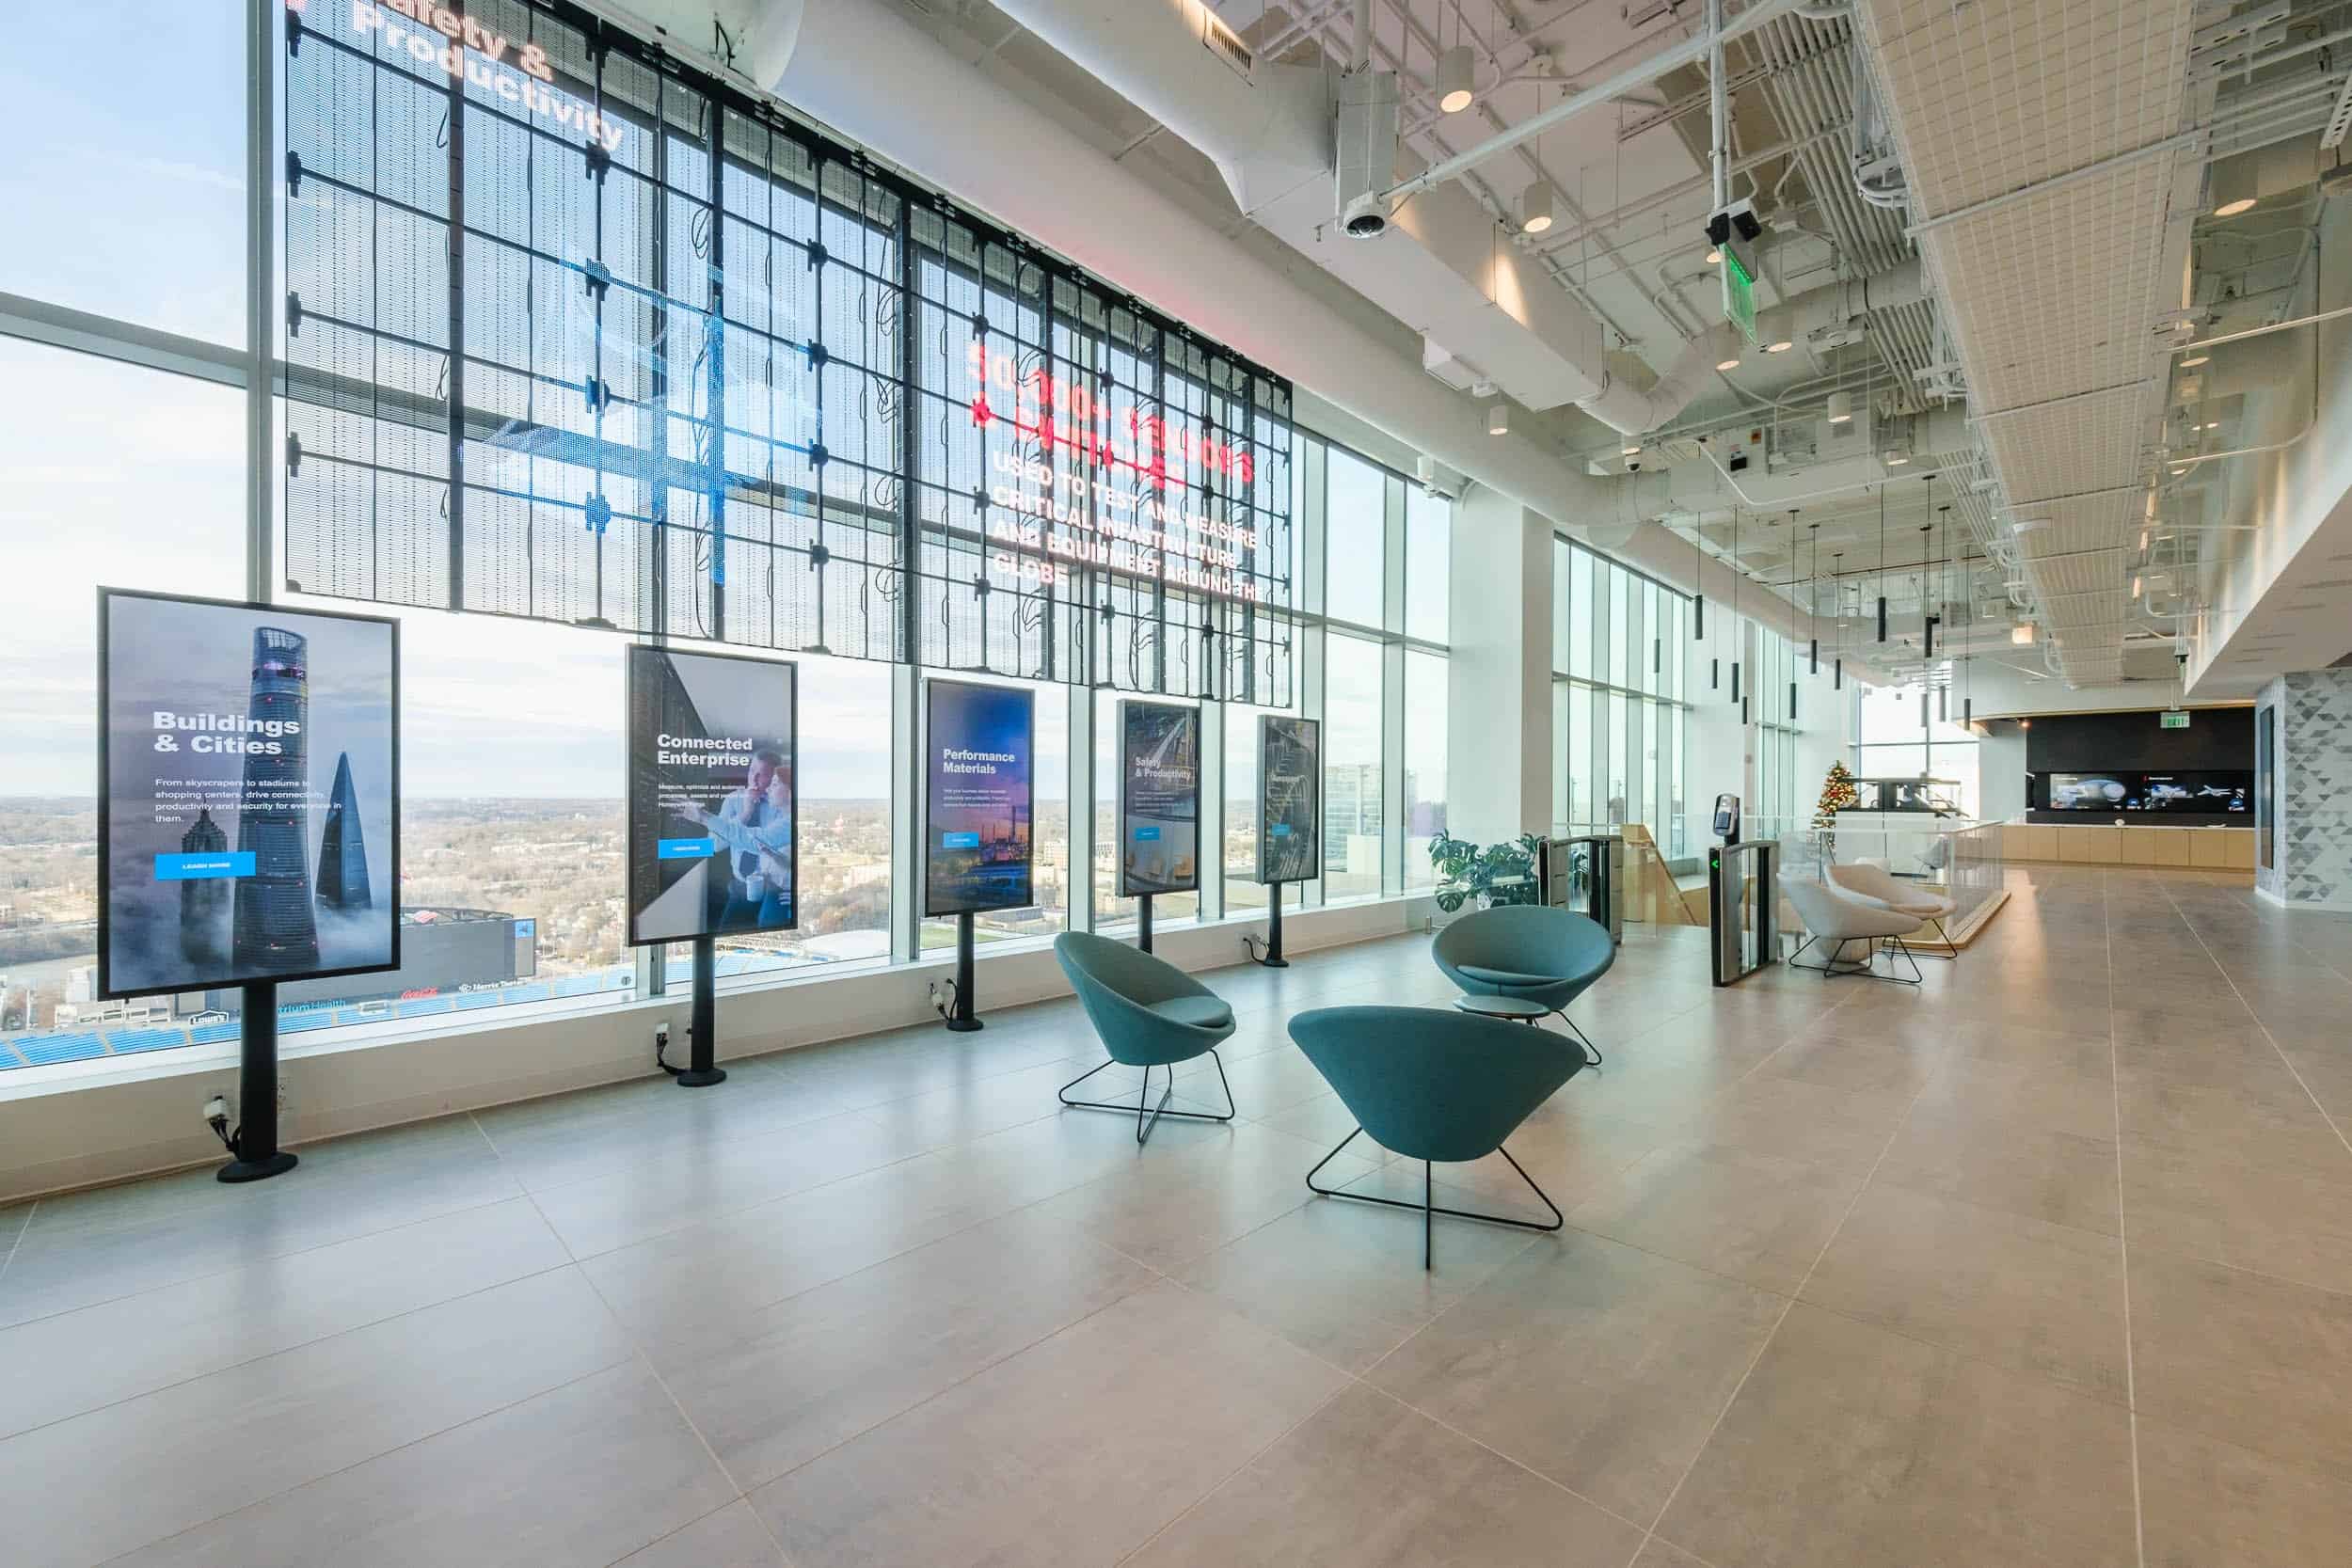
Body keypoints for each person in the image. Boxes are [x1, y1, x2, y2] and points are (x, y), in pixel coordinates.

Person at [692, 748, 792, 928]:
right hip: (742, 885)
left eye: (762, 775)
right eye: (752, 770)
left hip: (774, 888)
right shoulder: (733, 800)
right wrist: (745, 814)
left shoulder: (781, 803)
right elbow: (713, 845)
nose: (753, 779)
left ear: (774, 778)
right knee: (727, 933)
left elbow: (774, 846)